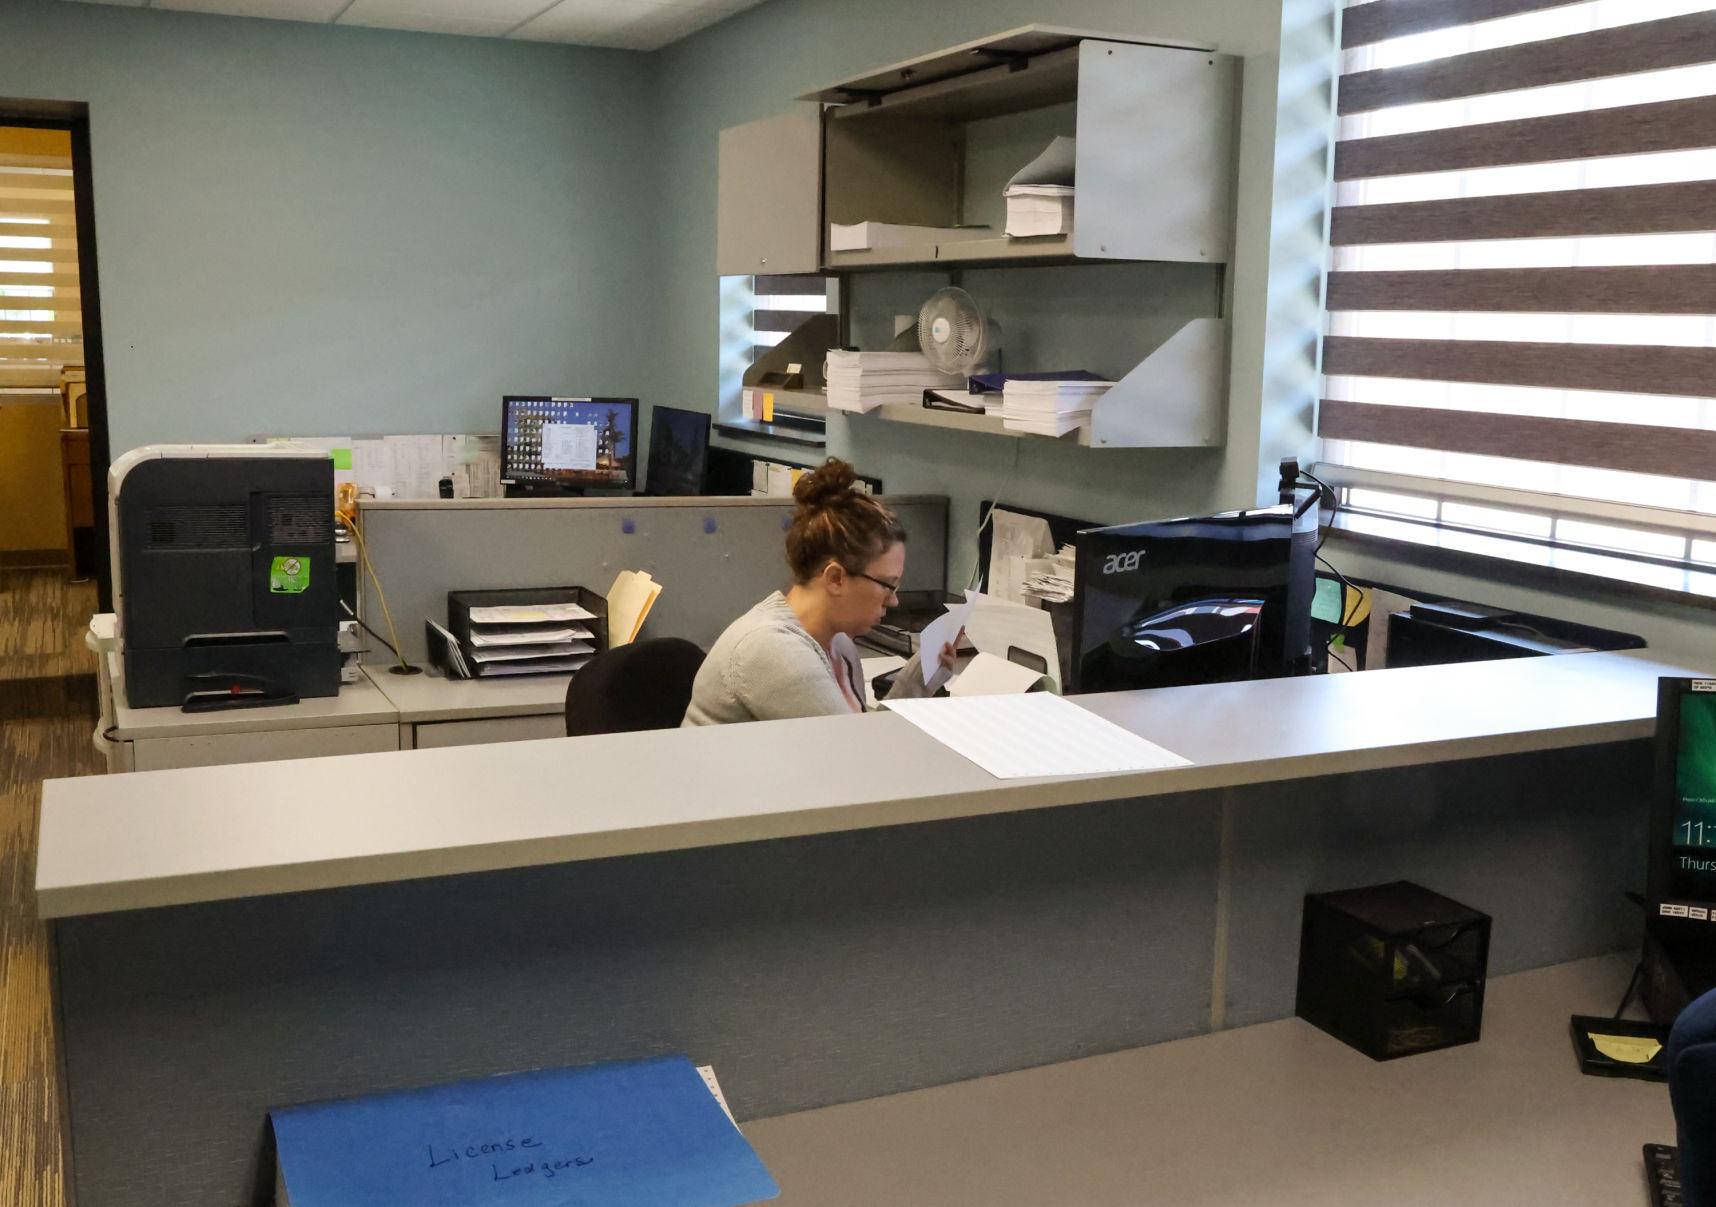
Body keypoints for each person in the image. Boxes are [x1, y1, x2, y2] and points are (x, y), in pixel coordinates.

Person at [683, 458, 957, 726]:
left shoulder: (839, 644)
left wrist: (919, 679)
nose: (894, 600)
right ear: (835, 578)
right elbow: (854, 756)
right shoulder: (771, 649)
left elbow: (860, 741)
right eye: (887, 585)